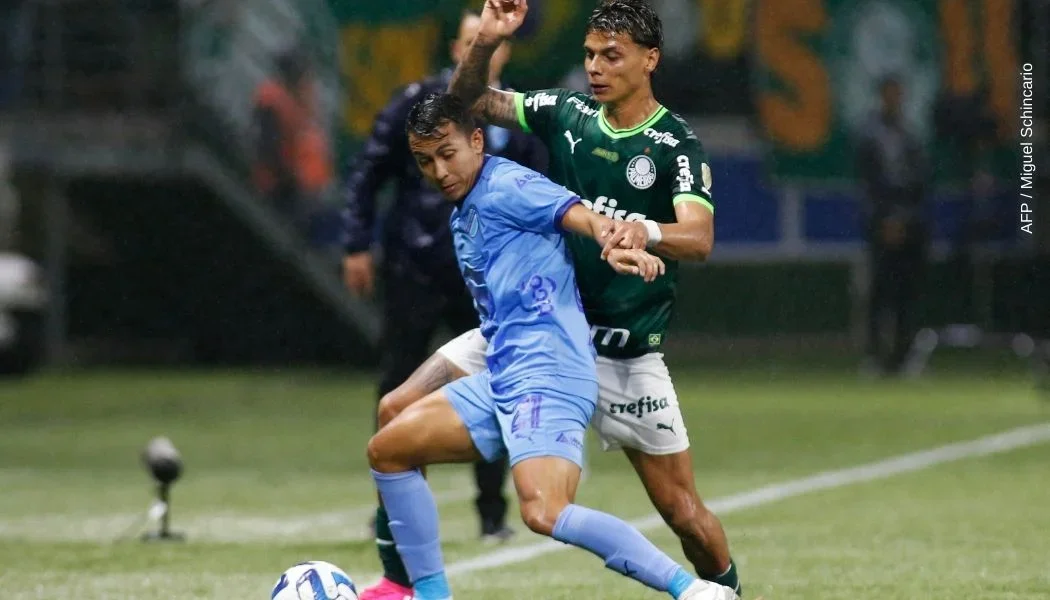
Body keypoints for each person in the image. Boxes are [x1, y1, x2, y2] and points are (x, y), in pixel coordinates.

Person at [359, 1, 744, 598]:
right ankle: (401, 583)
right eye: (589, 54)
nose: (595, 66)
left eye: (611, 56)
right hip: (530, 322)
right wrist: (486, 41)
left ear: (650, 60)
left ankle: (724, 591)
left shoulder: (674, 145)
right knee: (393, 414)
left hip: (620, 347)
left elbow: (699, 237)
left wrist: (644, 232)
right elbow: (469, 103)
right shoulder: (566, 113)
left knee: (683, 514)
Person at [342, 12, 548, 588]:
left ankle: (491, 513)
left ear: (502, 52)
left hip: (484, 281)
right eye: (468, 41)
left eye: (490, 43)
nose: (477, 51)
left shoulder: (517, 117)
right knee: (396, 387)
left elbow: (543, 198)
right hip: (415, 269)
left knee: (499, 387)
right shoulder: (420, 105)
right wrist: (357, 242)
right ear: (458, 48)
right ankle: (398, 503)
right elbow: (368, 171)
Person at [856, 76, 930, 376]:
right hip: (881, 224)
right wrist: (886, 218)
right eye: (890, 93)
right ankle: (876, 358)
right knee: (881, 292)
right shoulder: (870, 135)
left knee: (908, 293)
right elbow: (870, 182)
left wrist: (907, 216)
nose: (895, 98)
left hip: (912, 223)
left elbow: (922, 180)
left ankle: (905, 356)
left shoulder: (911, 133)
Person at [253, 47, 334, 232]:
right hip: (284, 190)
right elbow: (268, 148)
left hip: (307, 189)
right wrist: (288, 181)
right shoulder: (273, 102)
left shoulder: (302, 104)